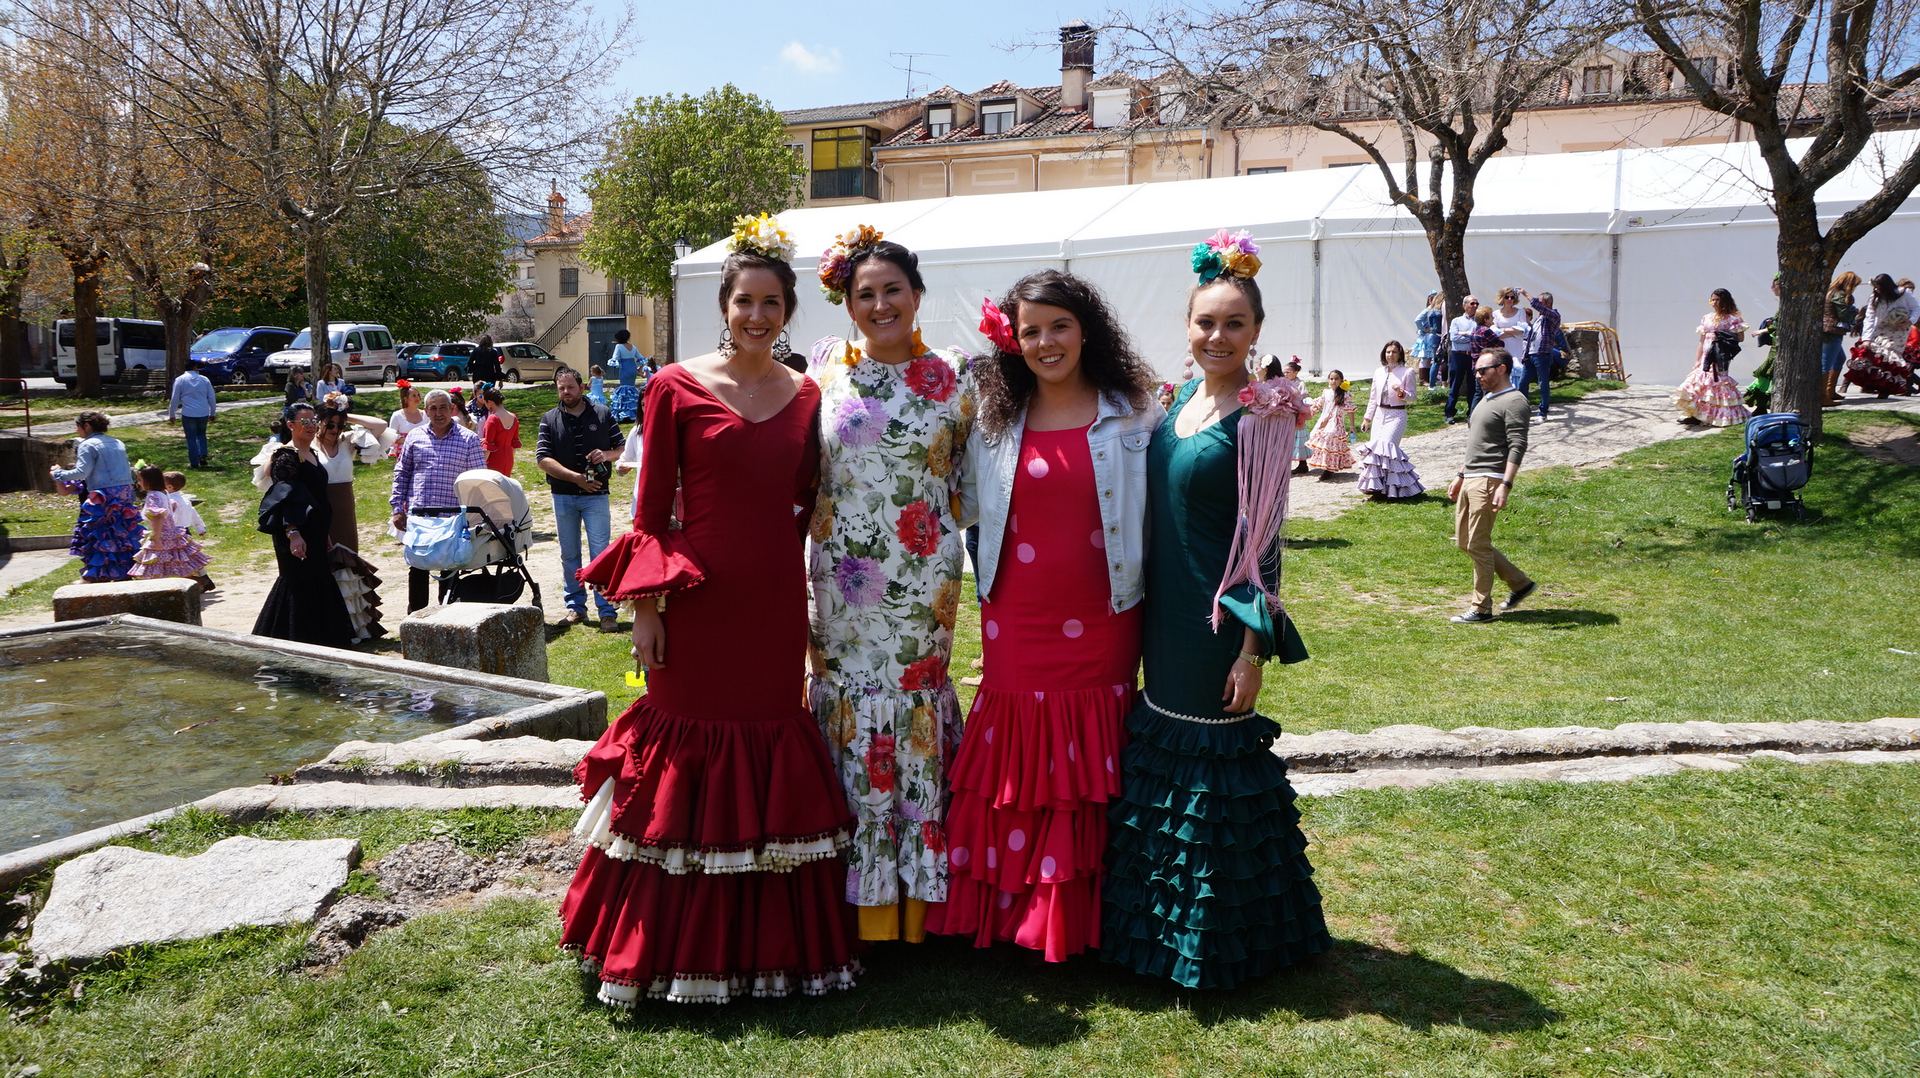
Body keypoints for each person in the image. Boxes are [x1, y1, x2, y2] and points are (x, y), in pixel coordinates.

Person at [562, 212, 858, 1007]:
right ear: (723, 307)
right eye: (743, 302)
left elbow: (808, 502)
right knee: (685, 748)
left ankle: (767, 948)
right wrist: (648, 610)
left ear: (788, 310)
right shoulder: (674, 386)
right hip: (695, 603)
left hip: (771, 604)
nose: (757, 316)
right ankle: (660, 944)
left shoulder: (809, 398)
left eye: (771, 303)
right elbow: (651, 511)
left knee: (767, 739)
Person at [1103, 230, 1330, 989]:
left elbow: (1266, 548)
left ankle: (1220, 939)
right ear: (1187, 325)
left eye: (1234, 323)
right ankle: (1153, 934)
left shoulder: (1261, 418)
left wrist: (1250, 651)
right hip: (1158, 619)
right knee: (1161, 763)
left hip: (1214, 625)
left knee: (1210, 776)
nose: (1218, 336)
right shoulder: (1175, 405)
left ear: (1257, 331)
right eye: (1206, 321)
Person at [931, 267, 1162, 963]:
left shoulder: (1135, 411)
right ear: (1013, 341)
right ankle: (1014, 917)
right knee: (1018, 765)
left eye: (1059, 325)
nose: (1046, 341)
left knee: (1092, 763)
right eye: (1030, 330)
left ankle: (1093, 915)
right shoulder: (994, 418)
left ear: (1086, 328)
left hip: (1105, 614)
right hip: (1017, 618)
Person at [805, 228, 972, 945]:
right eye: (864, 294)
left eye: (891, 290)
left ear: (917, 293)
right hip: (842, 586)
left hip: (923, 579)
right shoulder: (821, 379)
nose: (879, 305)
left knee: (911, 709)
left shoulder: (957, 379)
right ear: (847, 303)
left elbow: (982, 479)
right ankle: (852, 903)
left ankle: (915, 907)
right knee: (850, 709)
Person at [256, 403, 356, 647]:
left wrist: (325, 533)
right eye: (305, 422)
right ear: (291, 425)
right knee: (297, 582)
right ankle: (290, 638)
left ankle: (322, 638)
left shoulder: (310, 453)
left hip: (316, 531)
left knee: (318, 579)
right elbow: (286, 497)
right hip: (296, 532)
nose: (312, 426)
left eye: (314, 421)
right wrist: (293, 533)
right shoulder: (286, 457)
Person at [1447, 353, 1536, 624]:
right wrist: (1461, 474)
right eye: (1476, 371)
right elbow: (1478, 442)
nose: (1477, 375)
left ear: (1502, 369)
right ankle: (1519, 584)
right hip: (1471, 478)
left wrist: (1505, 484)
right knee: (1466, 542)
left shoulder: (1515, 401)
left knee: (1478, 544)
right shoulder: (1486, 399)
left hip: (1490, 480)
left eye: (1482, 370)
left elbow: (1517, 444)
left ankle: (1481, 609)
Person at [535, 368, 623, 631]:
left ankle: (607, 611)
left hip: (597, 495)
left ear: (582, 387)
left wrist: (605, 455)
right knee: (569, 554)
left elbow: (621, 448)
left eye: (570, 387)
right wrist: (576, 478)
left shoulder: (603, 414)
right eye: (561, 388)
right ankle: (575, 608)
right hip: (563, 495)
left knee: (601, 554)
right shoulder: (549, 419)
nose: (566, 392)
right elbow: (542, 459)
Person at [390, 389, 486, 613]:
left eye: (443, 407)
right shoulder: (415, 437)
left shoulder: (468, 439)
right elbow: (402, 473)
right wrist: (397, 508)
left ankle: (446, 618)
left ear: (451, 409)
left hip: (452, 517)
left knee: (449, 570)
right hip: (420, 515)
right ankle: (415, 619)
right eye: (433, 408)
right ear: (426, 411)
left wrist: (474, 516)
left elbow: (478, 479)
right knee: (417, 568)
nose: (438, 412)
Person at [50, 412, 143, 582]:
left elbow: (81, 472)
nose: (77, 431)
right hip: (124, 492)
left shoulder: (88, 445)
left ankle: (97, 575)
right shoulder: (117, 442)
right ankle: (124, 571)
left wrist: (58, 473)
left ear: (86, 426)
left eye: (78, 427)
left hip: (104, 495)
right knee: (122, 533)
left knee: (99, 534)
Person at [1357, 341, 1425, 499]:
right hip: (1380, 414)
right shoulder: (1378, 372)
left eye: (1394, 352)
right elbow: (1373, 397)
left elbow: (1413, 397)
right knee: (1376, 451)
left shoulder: (1407, 372)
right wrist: (1367, 418)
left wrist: (1401, 392)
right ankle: (1376, 488)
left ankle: (1395, 488)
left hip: (1397, 415)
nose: (1391, 355)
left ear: (1400, 354)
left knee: (1388, 448)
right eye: (1388, 352)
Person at [1675, 288, 1751, 426]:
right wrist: (1697, 360)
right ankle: (1696, 414)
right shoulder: (1707, 317)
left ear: (1725, 301)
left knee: (1717, 381)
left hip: (1720, 354)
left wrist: (1724, 335)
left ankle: (1716, 416)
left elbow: (1740, 338)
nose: (1714, 302)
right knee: (1699, 382)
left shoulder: (1733, 318)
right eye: (1712, 299)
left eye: (1717, 299)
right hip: (1706, 354)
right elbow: (1701, 341)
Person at [128, 464, 211, 585]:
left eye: (140, 480)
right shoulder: (164, 493)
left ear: (149, 481)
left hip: (162, 536)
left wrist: (155, 538)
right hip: (172, 533)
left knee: (155, 570)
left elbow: (157, 517)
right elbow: (171, 506)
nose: (138, 483)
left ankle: (195, 583)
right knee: (172, 566)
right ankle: (197, 582)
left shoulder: (153, 496)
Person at [1846, 273, 1920, 398]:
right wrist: (1866, 338)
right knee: (1873, 355)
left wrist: (1910, 321)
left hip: (1898, 331)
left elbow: (1916, 308)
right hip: (1879, 329)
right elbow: (1869, 318)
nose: (1877, 290)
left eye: (1879, 287)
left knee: (1889, 357)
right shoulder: (1874, 298)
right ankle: (1875, 385)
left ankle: (1885, 389)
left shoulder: (1904, 294)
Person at [162, 470, 214, 591]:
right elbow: (194, 514)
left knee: (179, 559)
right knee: (192, 557)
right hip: (186, 531)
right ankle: (204, 577)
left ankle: (198, 581)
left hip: (175, 533)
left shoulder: (171, 501)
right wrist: (200, 527)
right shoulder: (185, 500)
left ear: (169, 487)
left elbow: (169, 517)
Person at [1515, 289, 1561, 419]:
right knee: (1523, 383)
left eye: (1540, 302)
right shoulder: (1538, 319)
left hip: (1543, 354)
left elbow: (1535, 304)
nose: (1537, 305)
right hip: (1531, 355)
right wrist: (1525, 355)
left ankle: (1543, 412)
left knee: (1543, 383)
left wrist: (1525, 293)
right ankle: (1523, 410)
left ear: (1547, 303)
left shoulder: (1554, 315)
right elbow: (1531, 337)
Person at [1304, 371, 1356, 480]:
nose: (1333, 381)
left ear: (1341, 380)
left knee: (1330, 442)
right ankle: (1327, 465)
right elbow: (1319, 404)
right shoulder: (1326, 392)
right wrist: (1310, 412)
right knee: (1322, 443)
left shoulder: (1345, 394)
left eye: (1336, 379)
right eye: (1331, 379)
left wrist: (1352, 426)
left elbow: (1351, 410)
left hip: (1336, 423)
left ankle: (1329, 470)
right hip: (1324, 421)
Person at [167, 362, 217, 469]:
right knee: (201, 435)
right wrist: (212, 412)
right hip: (203, 412)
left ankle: (194, 462)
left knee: (191, 438)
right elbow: (211, 397)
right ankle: (203, 455)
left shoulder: (180, 380)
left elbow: (175, 398)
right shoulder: (204, 379)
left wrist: (172, 413)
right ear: (195, 368)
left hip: (188, 413)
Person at [1822, 271, 1861, 404]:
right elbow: (1843, 315)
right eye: (1854, 285)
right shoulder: (1839, 294)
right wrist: (1856, 312)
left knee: (1839, 359)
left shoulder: (1831, 291)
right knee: (1826, 363)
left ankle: (1830, 391)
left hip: (1830, 330)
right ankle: (1822, 397)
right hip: (1831, 331)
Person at [1444, 294, 1481, 423]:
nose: (1475, 306)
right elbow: (1454, 338)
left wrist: (1466, 335)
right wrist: (1472, 336)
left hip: (1473, 356)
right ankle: (1449, 413)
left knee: (1473, 385)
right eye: (1472, 303)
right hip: (1458, 355)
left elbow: (1480, 338)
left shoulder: (1479, 320)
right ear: (1464, 305)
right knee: (1455, 384)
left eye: (1477, 303)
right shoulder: (1456, 321)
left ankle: (1471, 412)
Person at [479, 386, 521, 475]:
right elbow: (514, 445)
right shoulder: (514, 417)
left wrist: (480, 466)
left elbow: (488, 448)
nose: (486, 406)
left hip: (494, 461)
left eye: (485, 403)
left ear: (490, 402)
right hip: (509, 459)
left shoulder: (492, 419)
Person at [608, 329, 643, 422]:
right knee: (631, 388)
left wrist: (615, 363)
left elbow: (615, 358)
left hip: (624, 368)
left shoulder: (619, 346)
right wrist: (639, 368)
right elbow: (641, 358)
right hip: (632, 367)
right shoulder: (633, 346)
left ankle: (624, 414)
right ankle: (633, 412)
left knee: (624, 389)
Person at [1411, 291, 1444, 387]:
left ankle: (1429, 378)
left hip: (1430, 335)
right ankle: (1423, 379)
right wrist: (1424, 329)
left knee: (1431, 358)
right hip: (1427, 336)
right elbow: (1417, 320)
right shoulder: (1429, 309)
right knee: (1425, 357)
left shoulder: (1433, 309)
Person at [387, 381, 427, 448]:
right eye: (414, 396)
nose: (417, 398)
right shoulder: (397, 416)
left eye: (418, 395)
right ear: (405, 399)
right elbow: (391, 437)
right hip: (403, 452)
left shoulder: (426, 414)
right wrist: (412, 440)